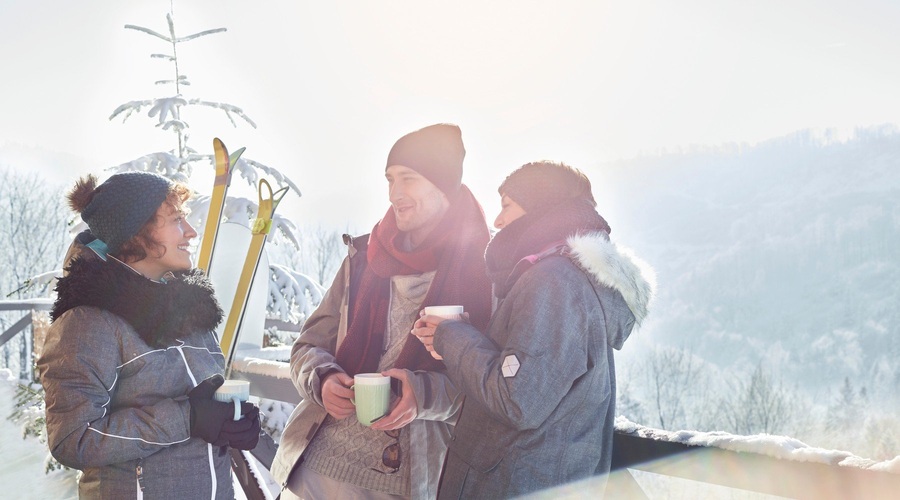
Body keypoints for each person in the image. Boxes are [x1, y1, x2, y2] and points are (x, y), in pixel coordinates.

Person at [271, 123, 493, 500]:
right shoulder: (364, 258)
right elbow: (306, 347)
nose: (394, 193)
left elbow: (492, 385)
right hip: (315, 471)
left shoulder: (485, 273)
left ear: (444, 186)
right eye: (390, 179)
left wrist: (423, 394)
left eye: (408, 178)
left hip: (406, 479)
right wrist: (322, 380)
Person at [412, 161, 656, 498]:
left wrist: (452, 336)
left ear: (540, 209)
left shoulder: (555, 282)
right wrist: (459, 338)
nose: (497, 221)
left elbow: (518, 399)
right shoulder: (567, 279)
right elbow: (531, 375)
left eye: (507, 205)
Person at [38, 171, 261, 499]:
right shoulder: (88, 322)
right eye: (175, 220)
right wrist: (187, 419)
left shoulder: (191, 313)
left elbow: (204, 406)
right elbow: (72, 439)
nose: (191, 231)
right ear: (134, 233)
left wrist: (233, 422)